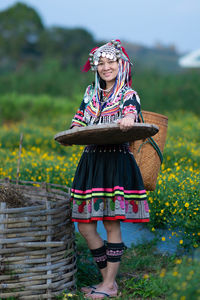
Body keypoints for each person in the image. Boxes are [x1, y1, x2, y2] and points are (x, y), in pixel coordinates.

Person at [69, 40, 150, 299]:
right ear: (96, 67)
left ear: (121, 64)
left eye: (111, 62)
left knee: (111, 223)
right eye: (101, 63)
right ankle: (108, 282)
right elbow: (78, 121)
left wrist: (128, 119)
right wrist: (74, 131)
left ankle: (108, 285)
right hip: (91, 162)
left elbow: (131, 113)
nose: (106, 67)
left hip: (115, 162)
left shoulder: (128, 95)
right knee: (84, 225)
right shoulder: (90, 94)